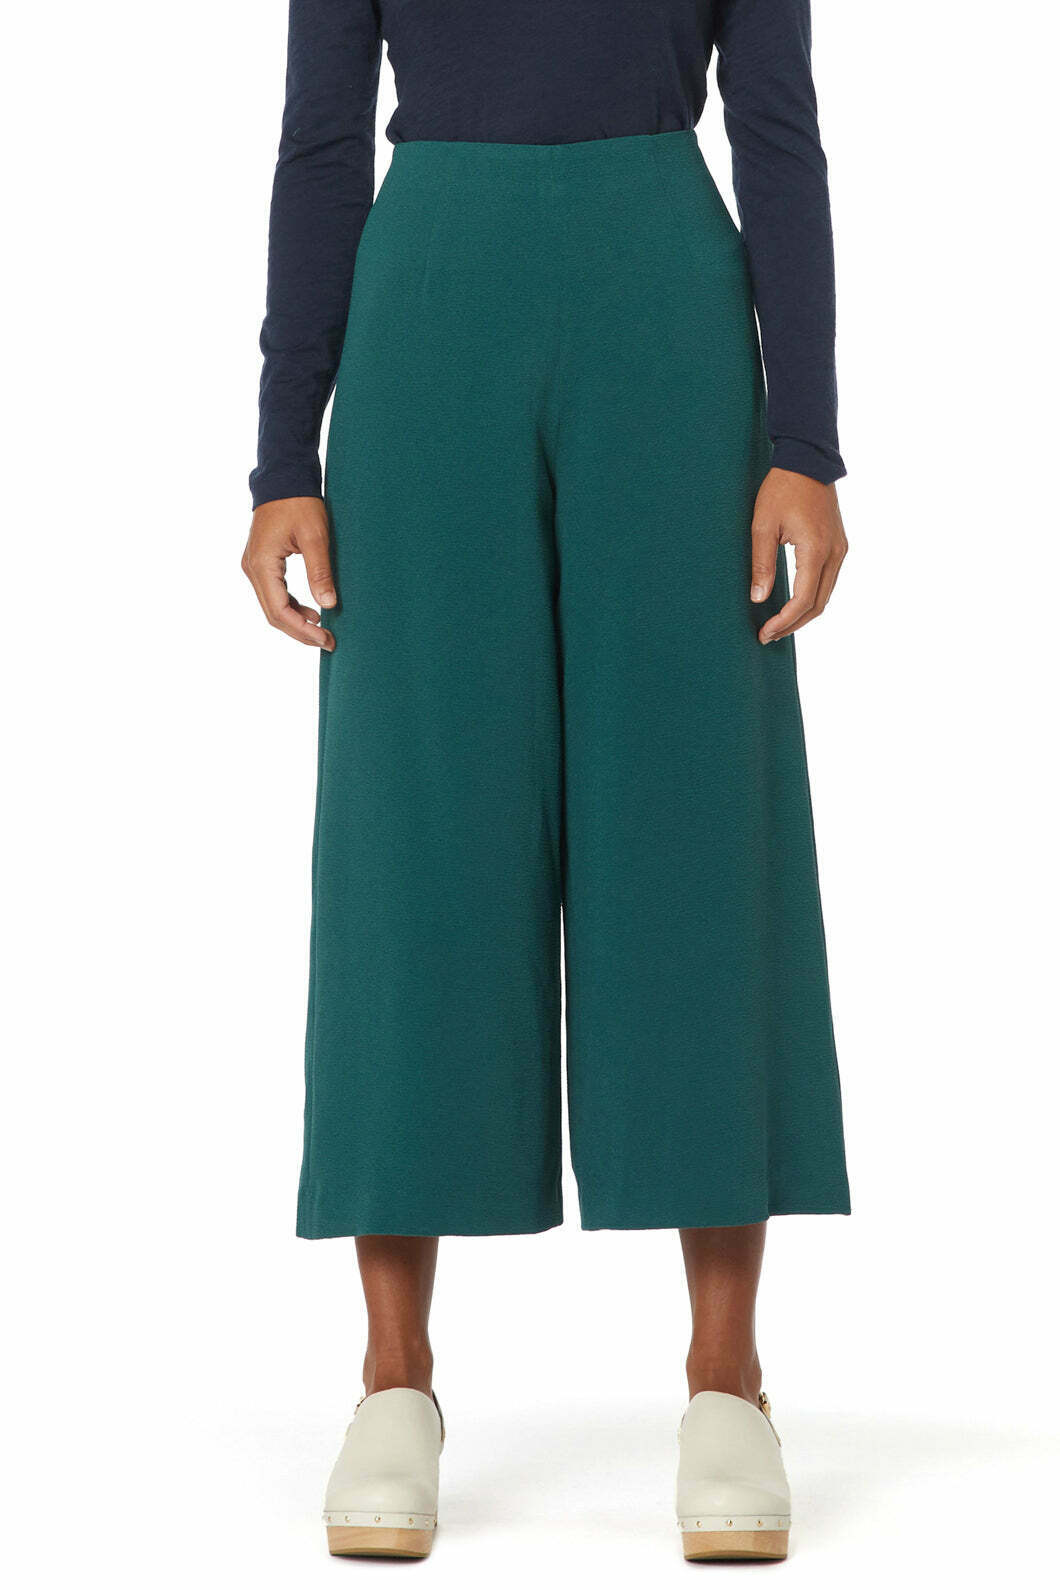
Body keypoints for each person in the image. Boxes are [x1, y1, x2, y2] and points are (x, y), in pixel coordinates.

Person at [243, 0, 850, 1563]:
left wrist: (807, 440)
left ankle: (726, 1374)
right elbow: (321, 136)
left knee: (693, 817)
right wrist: (283, 456)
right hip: (427, 294)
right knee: (416, 826)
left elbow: (776, 122)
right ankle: (394, 1373)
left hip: (666, 289)